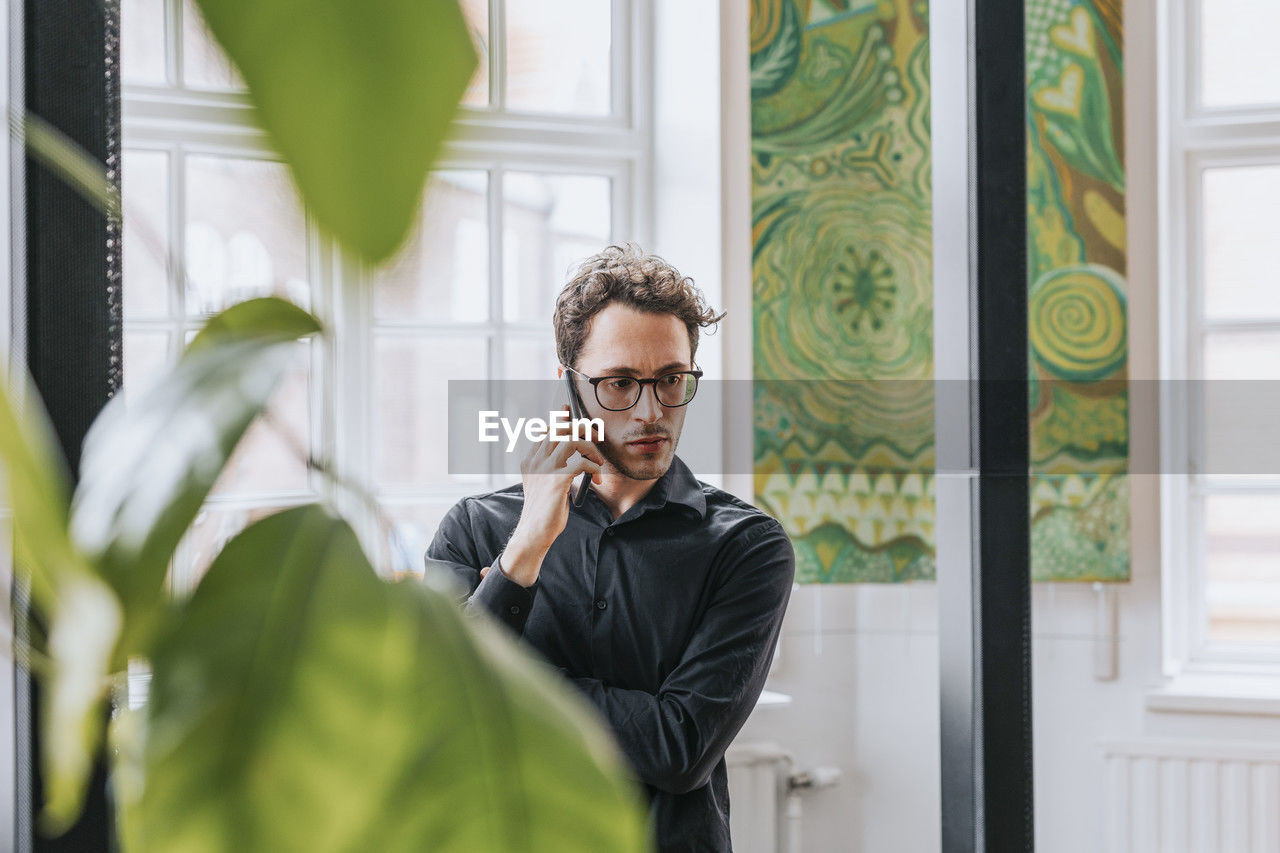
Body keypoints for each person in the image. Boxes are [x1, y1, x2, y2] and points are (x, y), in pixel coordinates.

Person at [426, 244, 795, 852]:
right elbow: (438, 707)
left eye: (672, 380)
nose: (652, 412)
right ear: (569, 385)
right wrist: (524, 552)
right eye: (620, 382)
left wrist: (504, 687)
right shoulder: (476, 528)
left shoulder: (747, 547)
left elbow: (678, 750)